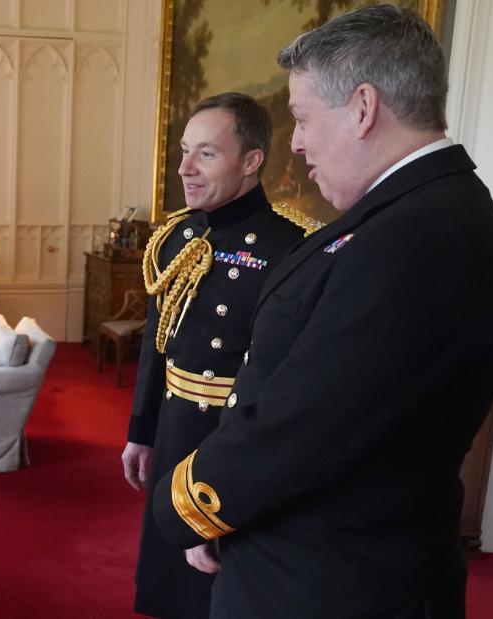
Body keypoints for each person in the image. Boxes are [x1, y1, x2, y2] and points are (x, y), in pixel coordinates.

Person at [150, 6, 493, 618]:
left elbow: (303, 423)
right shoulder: (413, 212)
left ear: (363, 107)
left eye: (300, 118)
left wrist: (185, 506)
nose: (294, 143)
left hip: (330, 584)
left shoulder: (417, 237)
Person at [122, 93, 307, 618]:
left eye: (206, 154)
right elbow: (158, 343)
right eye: (185, 151)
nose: (184, 168)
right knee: (166, 579)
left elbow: (277, 381)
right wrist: (142, 430)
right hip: (177, 427)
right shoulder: (178, 234)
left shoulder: (289, 248)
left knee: (217, 589)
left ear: (251, 161)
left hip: (231, 442)